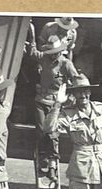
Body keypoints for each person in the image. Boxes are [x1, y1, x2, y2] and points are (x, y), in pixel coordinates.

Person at [28, 35, 79, 181]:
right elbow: (33, 53)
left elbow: (76, 81)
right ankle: (42, 159)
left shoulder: (66, 64)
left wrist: (71, 96)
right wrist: (32, 35)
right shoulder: (43, 58)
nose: (53, 54)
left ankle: (52, 165)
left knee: (52, 133)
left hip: (56, 103)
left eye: (56, 52)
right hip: (40, 100)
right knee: (40, 131)